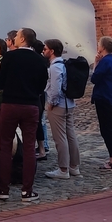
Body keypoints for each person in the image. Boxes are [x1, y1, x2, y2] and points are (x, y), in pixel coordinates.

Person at [0, 28, 48, 202]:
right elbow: (42, 86)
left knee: (5, 146)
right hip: (30, 104)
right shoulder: (40, 60)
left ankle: (3, 189)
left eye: (16, 36)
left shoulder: (9, 57)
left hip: (10, 103)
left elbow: (0, 82)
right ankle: (27, 190)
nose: (14, 38)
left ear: (23, 39)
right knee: (29, 147)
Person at [42, 39, 80, 180]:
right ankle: (74, 166)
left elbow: (56, 87)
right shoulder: (63, 64)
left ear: (52, 51)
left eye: (45, 49)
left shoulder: (55, 67)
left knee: (60, 138)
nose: (43, 51)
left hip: (59, 105)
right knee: (70, 135)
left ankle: (63, 169)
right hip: (68, 103)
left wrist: (51, 102)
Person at [92, 36, 112, 171]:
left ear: (103, 47)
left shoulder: (105, 62)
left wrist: (95, 63)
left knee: (107, 129)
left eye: (99, 44)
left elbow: (94, 78)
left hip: (104, 98)